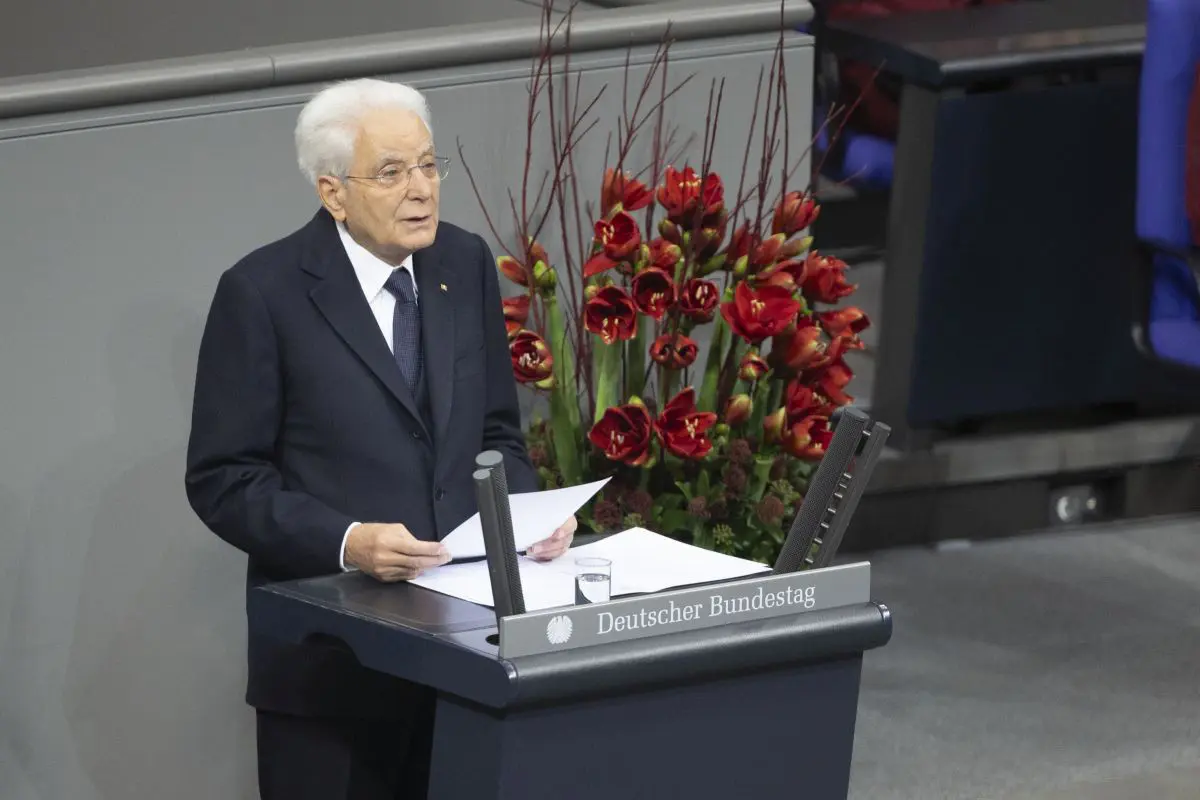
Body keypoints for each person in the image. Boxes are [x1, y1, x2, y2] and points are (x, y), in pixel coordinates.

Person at [184, 78, 576, 800]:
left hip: (467, 660)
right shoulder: (262, 292)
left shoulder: (464, 263)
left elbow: (496, 431)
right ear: (333, 192)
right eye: (392, 172)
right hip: (333, 672)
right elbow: (224, 478)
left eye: (428, 165)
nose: (421, 189)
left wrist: (526, 517)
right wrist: (348, 541)